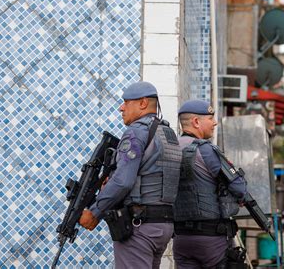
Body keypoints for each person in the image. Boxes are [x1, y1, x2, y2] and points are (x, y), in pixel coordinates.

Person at [79, 81, 182, 269]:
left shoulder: (135, 133)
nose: (121, 107)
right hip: (163, 224)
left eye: (126, 102)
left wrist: (94, 212)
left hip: (140, 226)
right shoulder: (168, 133)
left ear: (142, 103)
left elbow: (123, 181)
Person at [173, 100, 247, 268]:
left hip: (180, 238)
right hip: (210, 238)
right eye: (210, 118)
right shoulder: (206, 150)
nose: (214, 123)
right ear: (196, 122)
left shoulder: (171, 149)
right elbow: (239, 188)